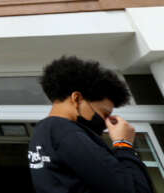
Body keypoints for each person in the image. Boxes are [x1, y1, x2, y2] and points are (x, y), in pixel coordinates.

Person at [28, 55, 152, 193]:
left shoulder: (42, 132)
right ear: (77, 98)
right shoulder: (68, 132)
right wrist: (124, 144)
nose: (106, 122)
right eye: (104, 114)